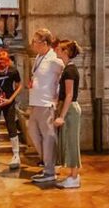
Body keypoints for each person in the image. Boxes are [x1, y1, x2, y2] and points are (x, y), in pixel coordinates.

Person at [27, 28, 64, 184]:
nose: (33, 44)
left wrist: (57, 96)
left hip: (46, 103)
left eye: (35, 41)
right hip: (35, 102)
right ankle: (48, 163)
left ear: (45, 43)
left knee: (48, 137)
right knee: (34, 133)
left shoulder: (54, 59)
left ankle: (50, 170)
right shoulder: (38, 56)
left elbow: (64, 75)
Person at [54, 40, 82, 189]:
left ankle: (74, 176)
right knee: (68, 142)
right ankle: (72, 175)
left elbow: (69, 95)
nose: (56, 50)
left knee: (72, 143)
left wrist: (61, 116)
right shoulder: (67, 69)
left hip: (70, 109)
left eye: (59, 48)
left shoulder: (70, 70)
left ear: (65, 52)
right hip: (68, 108)